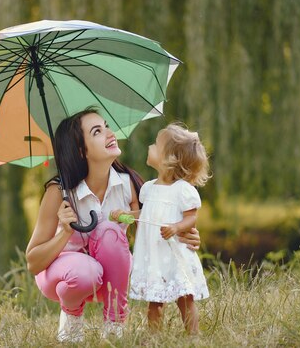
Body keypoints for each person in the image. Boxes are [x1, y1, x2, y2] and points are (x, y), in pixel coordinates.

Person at [25, 108, 202, 343]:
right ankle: (71, 319)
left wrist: (185, 233)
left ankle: (114, 327)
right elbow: (34, 262)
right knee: (85, 270)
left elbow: (155, 224)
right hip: (61, 278)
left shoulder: (129, 184)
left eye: (106, 125)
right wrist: (65, 232)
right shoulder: (58, 192)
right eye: (97, 131)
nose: (110, 133)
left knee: (109, 231)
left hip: (109, 280)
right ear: (81, 151)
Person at [111, 123, 210, 334]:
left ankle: (193, 333)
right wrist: (125, 215)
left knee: (184, 297)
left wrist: (176, 226)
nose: (150, 146)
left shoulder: (183, 190)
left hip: (175, 254)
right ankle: (153, 336)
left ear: (169, 159)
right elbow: (146, 216)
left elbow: (191, 217)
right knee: (154, 301)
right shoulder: (148, 188)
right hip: (155, 255)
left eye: (156, 145)